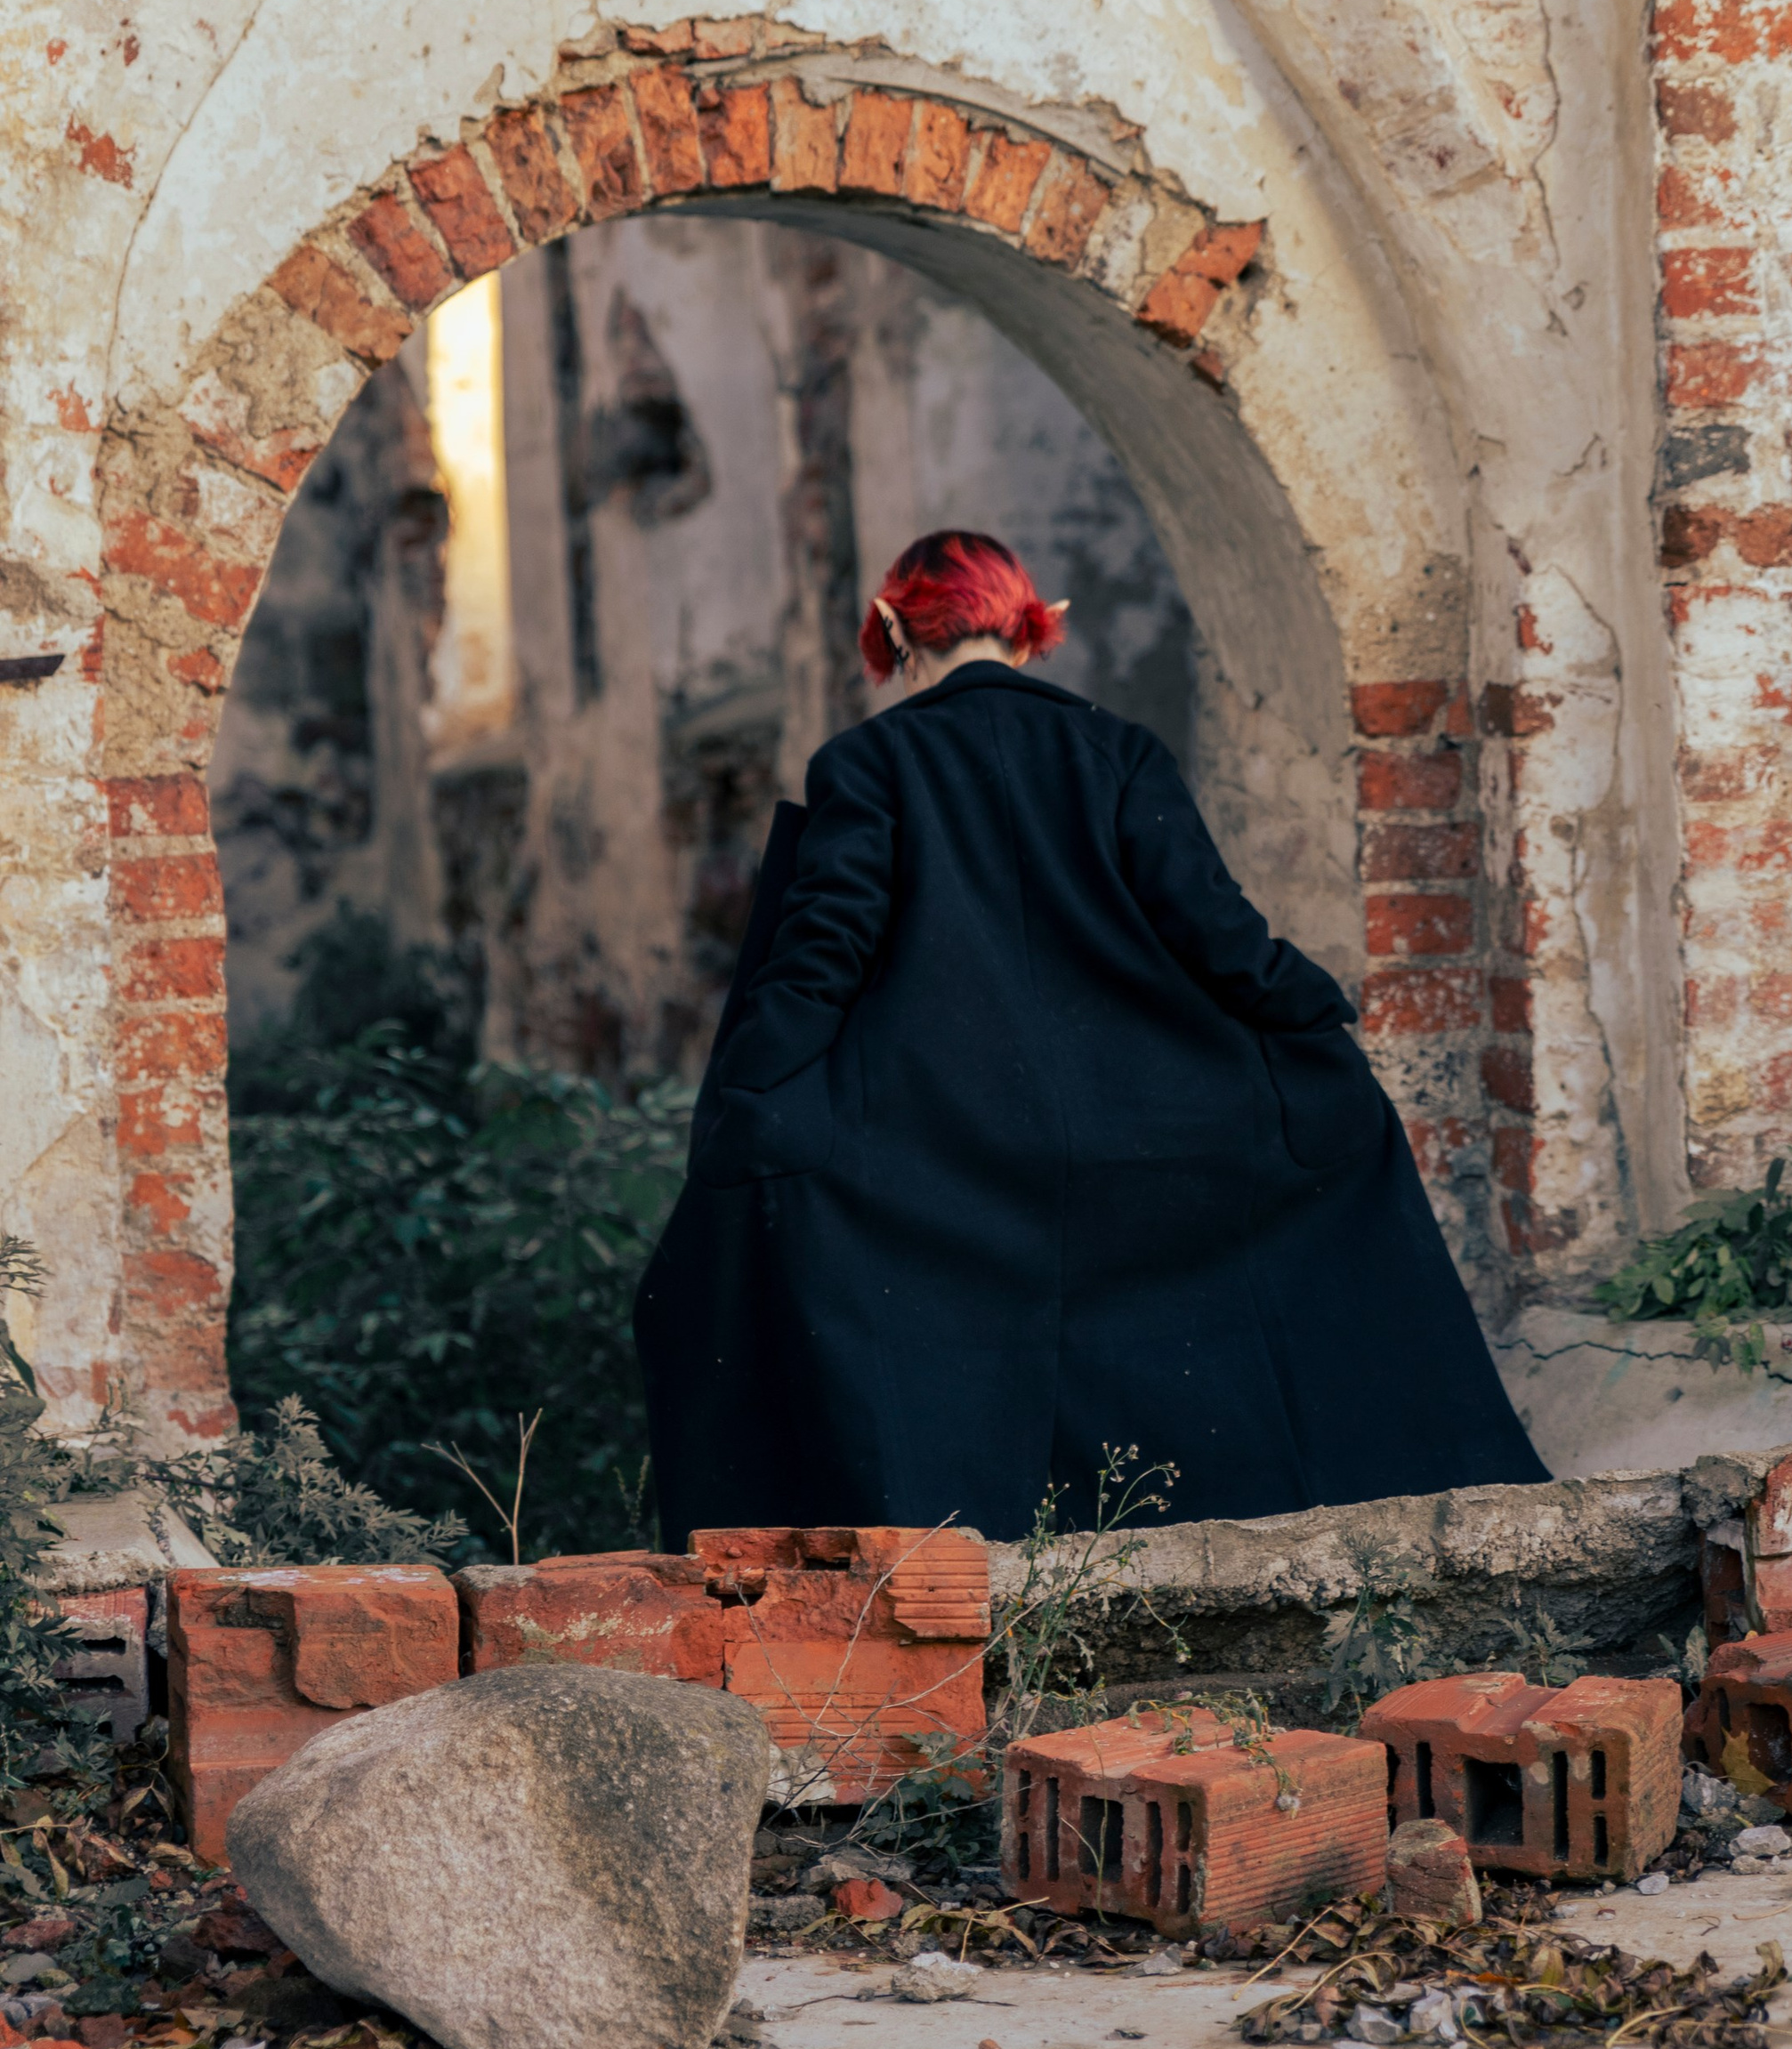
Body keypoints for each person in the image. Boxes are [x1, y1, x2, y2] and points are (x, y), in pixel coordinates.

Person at [634, 528, 1549, 1547]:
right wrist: (1315, 1013)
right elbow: (1215, 933)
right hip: (1137, 1127)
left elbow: (825, 951)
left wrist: (747, 1095)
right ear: (1030, 625)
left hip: (944, 1143)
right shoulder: (1119, 749)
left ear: (892, 626)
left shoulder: (866, 761)